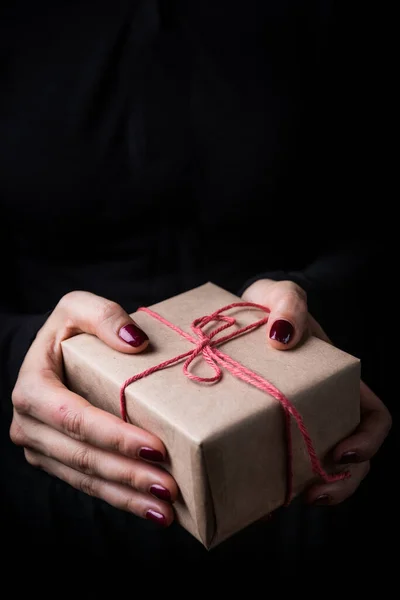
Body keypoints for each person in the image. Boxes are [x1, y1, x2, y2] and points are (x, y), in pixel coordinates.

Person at [0, 1, 391, 565]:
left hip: (303, 458)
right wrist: (21, 355)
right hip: (48, 471)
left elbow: (377, 225)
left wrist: (313, 310)